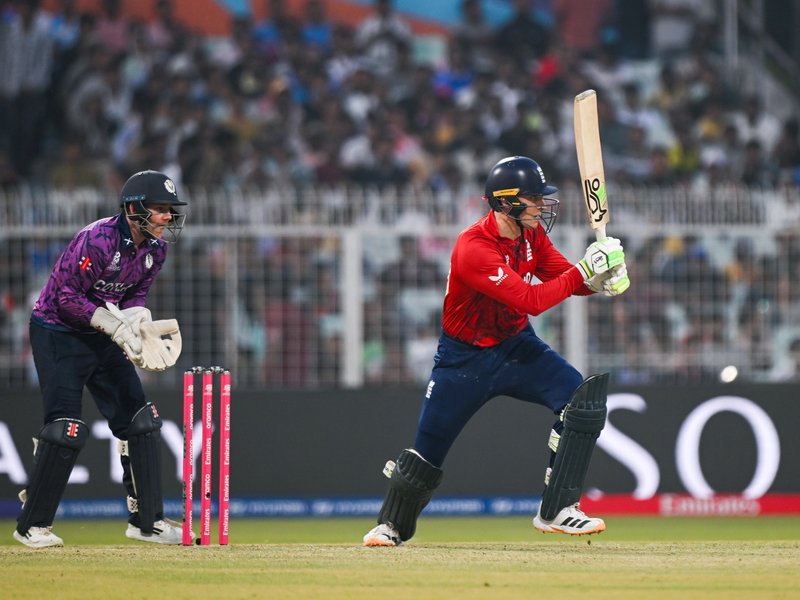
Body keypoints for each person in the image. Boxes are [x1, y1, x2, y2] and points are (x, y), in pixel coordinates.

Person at [362, 156, 630, 547]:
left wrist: (602, 279)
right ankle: (392, 526)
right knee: (429, 448)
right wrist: (585, 270)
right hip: (463, 360)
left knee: (580, 400)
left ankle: (557, 510)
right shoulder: (474, 246)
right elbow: (532, 300)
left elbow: (565, 280)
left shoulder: (531, 235)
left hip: (516, 345)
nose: (542, 205)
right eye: (534, 198)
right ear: (506, 202)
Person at [14, 170, 188, 548]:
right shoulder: (98, 239)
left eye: (170, 209)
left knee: (141, 421)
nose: (167, 217)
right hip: (57, 332)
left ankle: (147, 523)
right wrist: (111, 324)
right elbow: (66, 298)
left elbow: (134, 294)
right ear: (133, 208)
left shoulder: (156, 250)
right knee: (66, 429)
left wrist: (136, 320)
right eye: (159, 209)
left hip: (101, 334)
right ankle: (33, 525)